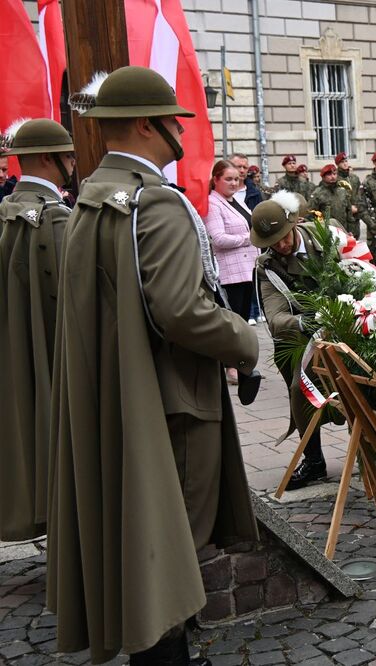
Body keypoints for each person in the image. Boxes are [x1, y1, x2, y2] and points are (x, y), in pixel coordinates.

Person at [48, 65, 259, 664]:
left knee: (142, 540)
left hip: (126, 394)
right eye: (172, 121)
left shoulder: (95, 196)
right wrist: (244, 341)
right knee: (173, 549)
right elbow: (181, 311)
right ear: (146, 124)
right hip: (175, 400)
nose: (180, 131)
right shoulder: (155, 202)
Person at [0, 118, 75, 541]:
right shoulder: (54, 218)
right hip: (51, 350)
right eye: (67, 156)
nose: (71, 163)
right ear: (49, 158)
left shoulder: (7, 211)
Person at [252, 192, 342, 490]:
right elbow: (274, 317)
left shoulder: (326, 237)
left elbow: (358, 269)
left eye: (283, 237)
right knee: (300, 391)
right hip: (301, 337)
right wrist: (304, 321)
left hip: (345, 322)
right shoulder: (268, 266)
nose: (280, 245)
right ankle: (314, 461)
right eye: (272, 242)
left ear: (294, 223)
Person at [204, 158, 259, 386]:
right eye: (228, 179)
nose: (234, 183)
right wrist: (250, 239)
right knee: (233, 321)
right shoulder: (213, 203)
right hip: (229, 272)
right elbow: (218, 239)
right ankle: (230, 366)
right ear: (216, 180)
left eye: (237, 179)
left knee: (243, 320)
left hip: (247, 269)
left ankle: (241, 363)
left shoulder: (236, 201)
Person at [309, 163, 356, 236]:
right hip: (326, 234)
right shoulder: (317, 193)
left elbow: (349, 213)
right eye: (329, 175)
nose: (333, 177)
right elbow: (311, 214)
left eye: (334, 174)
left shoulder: (342, 191)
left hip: (343, 232)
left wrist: (351, 230)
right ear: (323, 177)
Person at [335, 151, 362, 221]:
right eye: (342, 162)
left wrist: (358, 206)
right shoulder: (335, 179)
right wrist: (349, 207)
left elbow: (359, 193)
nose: (345, 164)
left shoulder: (354, 178)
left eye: (346, 161)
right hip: (342, 216)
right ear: (337, 164)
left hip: (355, 216)